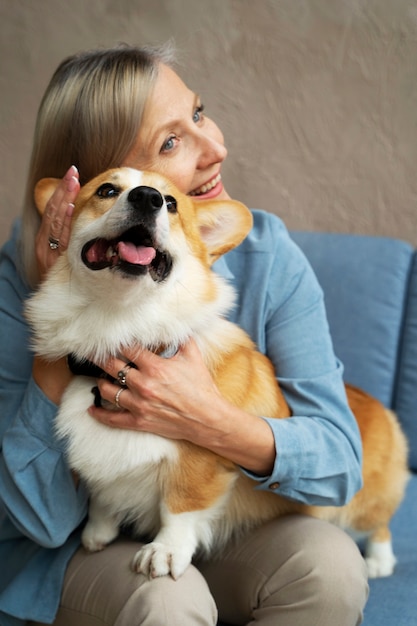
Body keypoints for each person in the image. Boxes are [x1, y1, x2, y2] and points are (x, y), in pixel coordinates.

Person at [0, 43, 368, 626]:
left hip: (209, 519)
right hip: (72, 545)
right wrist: (57, 333)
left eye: (199, 114)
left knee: (329, 564)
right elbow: (40, 523)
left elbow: (341, 464)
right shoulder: (17, 274)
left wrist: (209, 421)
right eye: (170, 143)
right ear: (95, 189)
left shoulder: (267, 253)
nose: (216, 149)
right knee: (167, 601)